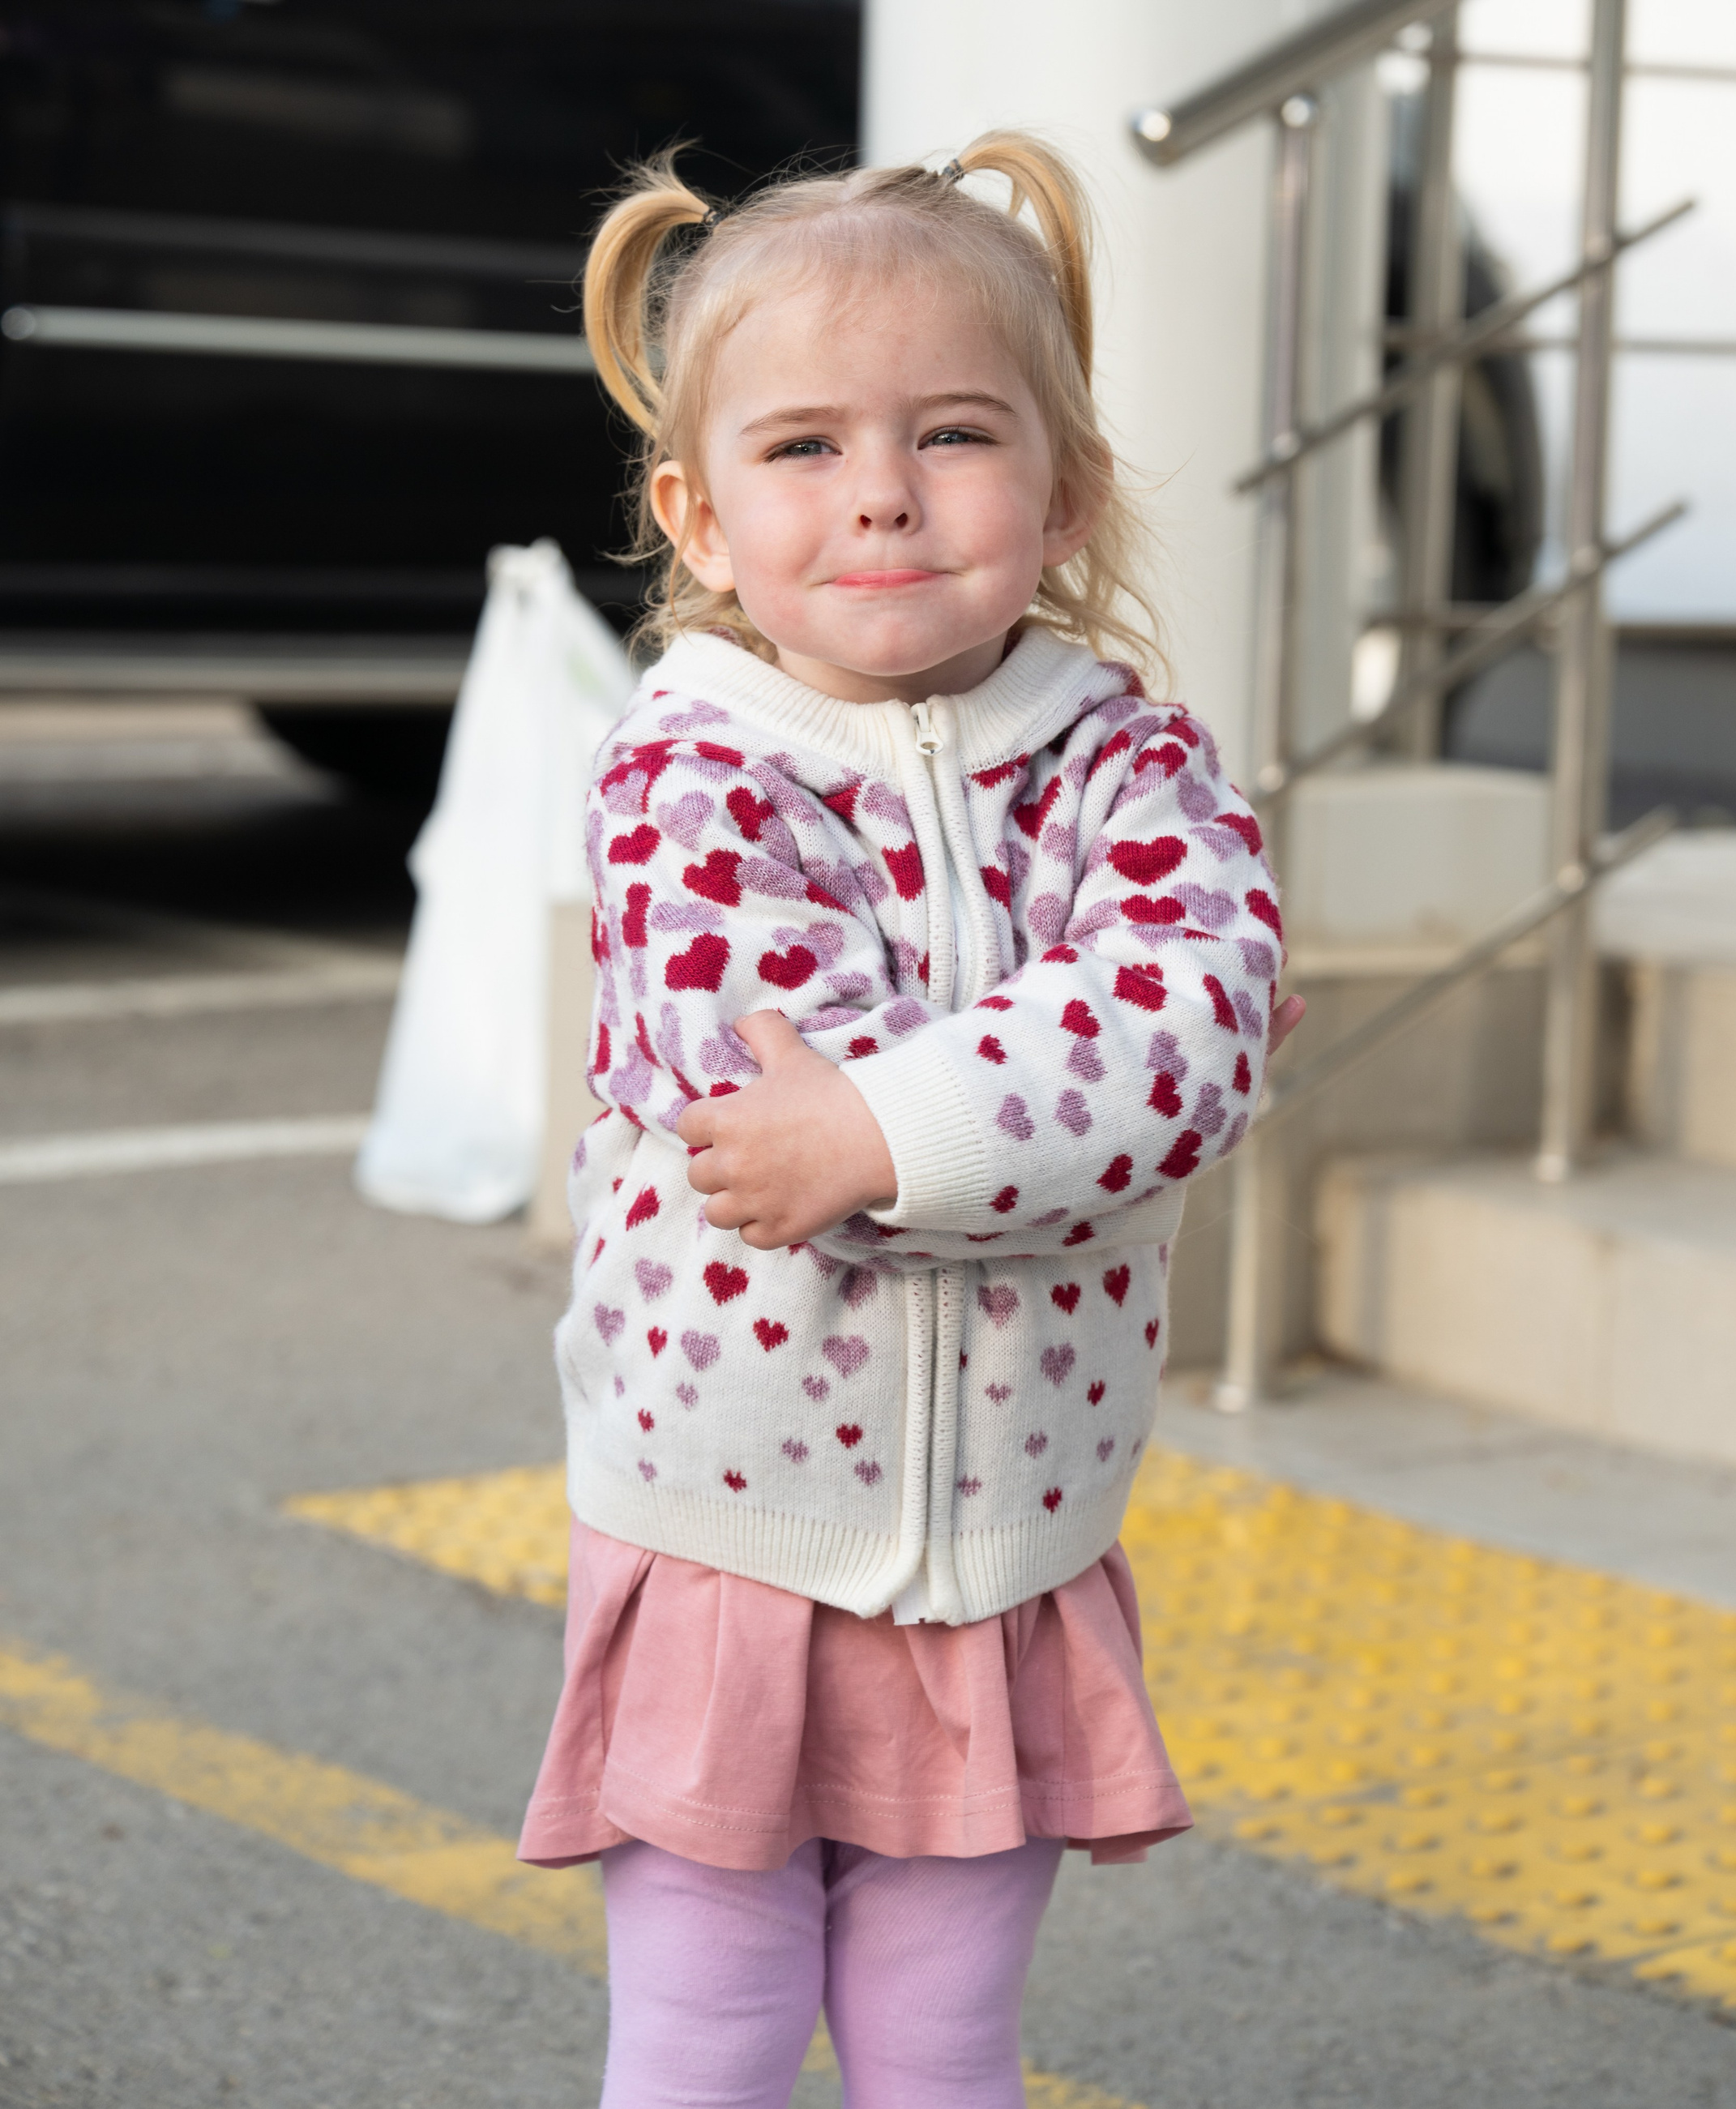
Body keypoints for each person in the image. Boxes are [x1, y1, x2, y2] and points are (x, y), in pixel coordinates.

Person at [519, 130, 1302, 2109]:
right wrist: (1042, 1128)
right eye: (800, 449)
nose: (878, 489)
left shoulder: (1128, 758)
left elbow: (1199, 1026)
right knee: (699, 2035)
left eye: (951, 431)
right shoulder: (685, 766)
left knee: (948, 2048)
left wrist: (881, 1138)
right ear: (697, 515)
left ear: (1064, 491)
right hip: (730, 1538)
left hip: (1011, 1548)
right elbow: (749, 1119)